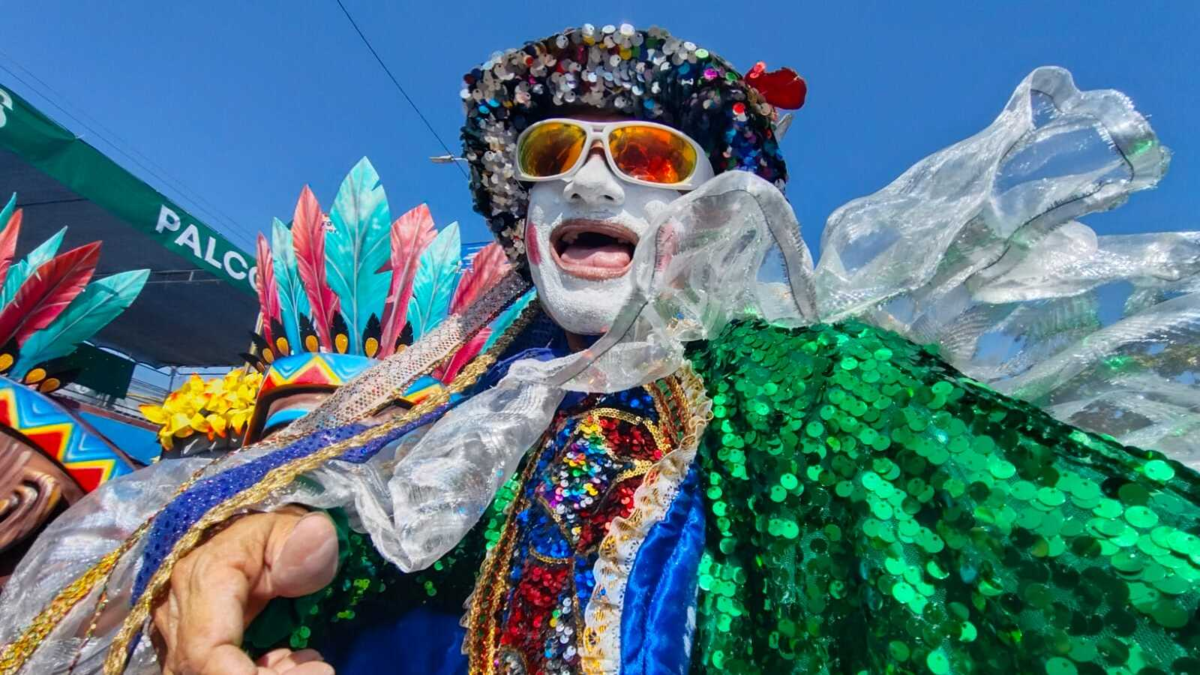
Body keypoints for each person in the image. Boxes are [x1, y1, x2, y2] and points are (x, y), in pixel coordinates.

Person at [3, 23, 1200, 675]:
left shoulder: (819, 391)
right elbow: (413, 518)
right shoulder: (433, 419)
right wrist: (280, 545)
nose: (588, 170)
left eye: (654, 155)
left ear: (721, 205)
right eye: (556, 147)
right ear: (519, 215)